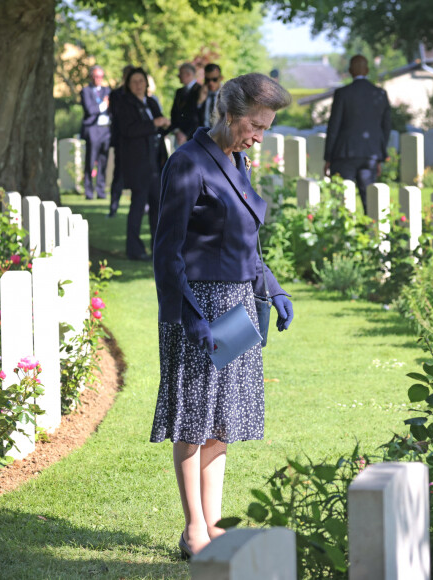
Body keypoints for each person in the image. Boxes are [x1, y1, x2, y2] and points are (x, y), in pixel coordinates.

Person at [151, 73, 295, 558]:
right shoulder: (188, 163)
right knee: (194, 419)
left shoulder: (239, 162)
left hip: (237, 308)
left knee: (221, 421)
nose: (258, 136)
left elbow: (246, 245)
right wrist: (189, 317)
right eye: (254, 125)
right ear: (228, 114)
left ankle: (213, 525)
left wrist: (272, 289)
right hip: (200, 307)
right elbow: (167, 252)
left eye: (265, 128)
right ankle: (193, 528)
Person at [323, 54, 391, 213]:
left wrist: (328, 158)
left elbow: (334, 127)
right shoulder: (380, 94)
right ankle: (373, 234)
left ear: (350, 71)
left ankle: (344, 235)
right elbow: (386, 127)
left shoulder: (342, 94)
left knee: (342, 203)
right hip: (370, 155)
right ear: (367, 70)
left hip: (344, 154)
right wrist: (380, 155)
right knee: (371, 203)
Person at [117, 67, 170, 261]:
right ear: (129, 85)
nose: (138, 85)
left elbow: (160, 128)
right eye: (134, 82)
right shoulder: (125, 104)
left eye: (141, 81)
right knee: (138, 206)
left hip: (156, 162)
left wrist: (165, 124)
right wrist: (155, 123)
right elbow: (128, 130)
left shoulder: (151, 102)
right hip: (138, 163)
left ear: (147, 83)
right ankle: (134, 249)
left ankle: (158, 248)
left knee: (158, 207)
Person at [80, 65, 112, 200]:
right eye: (96, 76)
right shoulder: (86, 91)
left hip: (106, 129)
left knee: (103, 160)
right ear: (91, 77)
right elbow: (90, 110)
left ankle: (101, 190)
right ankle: (88, 191)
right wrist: (103, 105)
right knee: (91, 160)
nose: (99, 79)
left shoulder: (107, 90)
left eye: (101, 76)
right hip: (93, 129)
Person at [107, 64, 134, 217]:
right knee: (118, 174)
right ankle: (113, 207)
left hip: (137, 142)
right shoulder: (116, 95)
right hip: (122, 140)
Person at [169, 63, 202, 146]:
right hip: (179, 136)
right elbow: (174, 112)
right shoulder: (179, 92)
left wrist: (186, 134)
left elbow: (197, 115)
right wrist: (176, 130)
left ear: (188, 74)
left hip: (194, 136)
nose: (178, 76)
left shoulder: (200, 90)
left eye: (180, 73)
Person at [197, 63, 223, 129]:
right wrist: (199, 102)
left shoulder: (229, 94)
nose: (210, 83)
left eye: (214, 79)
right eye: (207, 80)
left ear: (221, 78)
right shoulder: (199, 92)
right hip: (203, 134)